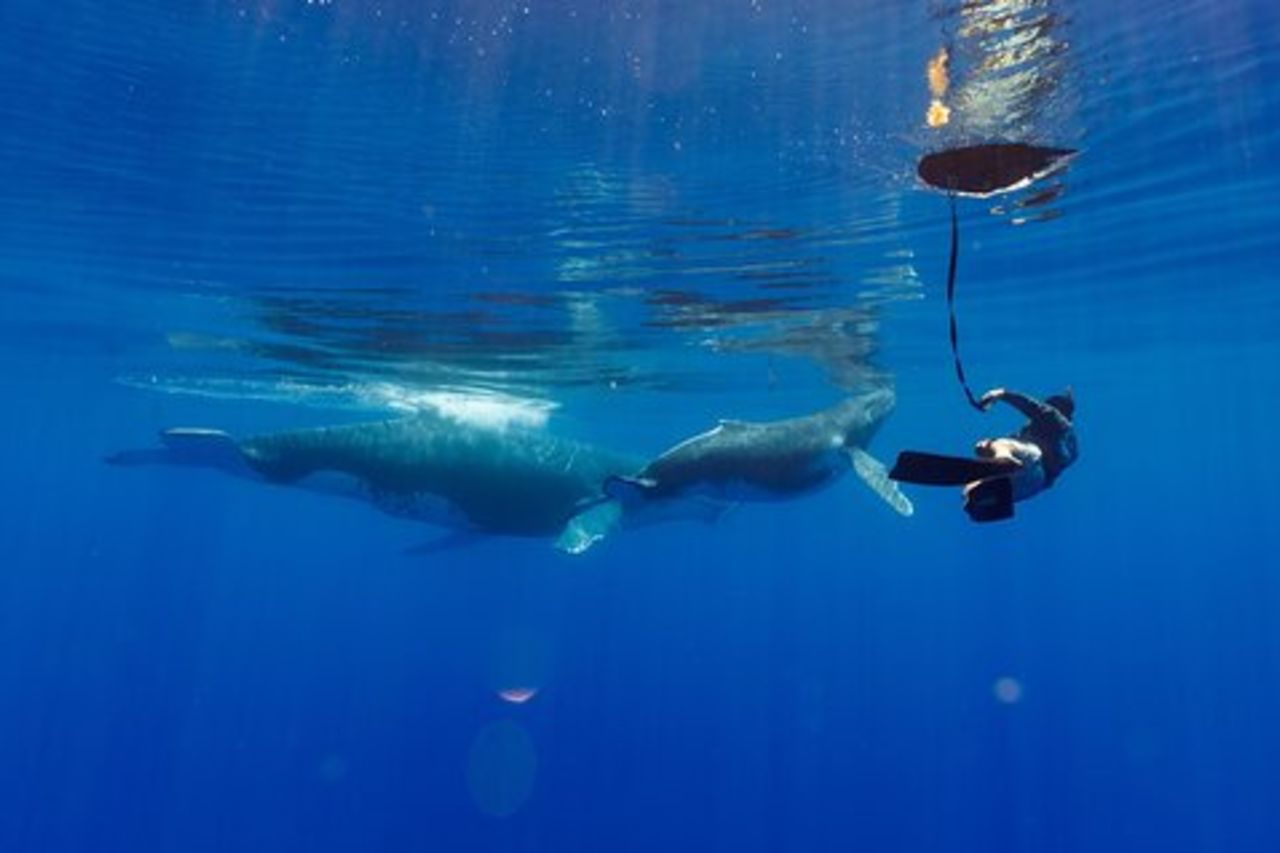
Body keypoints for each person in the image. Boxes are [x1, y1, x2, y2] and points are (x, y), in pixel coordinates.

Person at [888, 387, 1077, 522]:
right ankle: (983, 497)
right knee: (969, 492)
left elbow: (1037, 409)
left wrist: (1001, 393)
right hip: (1032, 488)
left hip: (1032, 467)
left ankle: (1006, 461)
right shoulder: (1070, 445)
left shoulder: (1058, 422)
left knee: (990, 444)